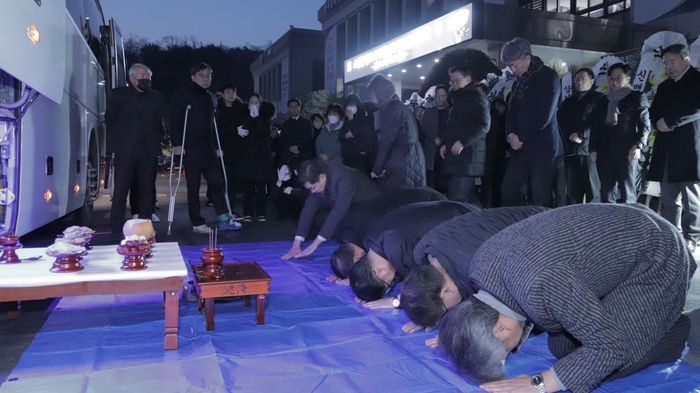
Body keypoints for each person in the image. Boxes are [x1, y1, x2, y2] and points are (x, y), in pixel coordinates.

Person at [438, 203, 696, 393]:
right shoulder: (479, 268)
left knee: (611, 365)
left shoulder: (541, 286)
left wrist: (540, 383)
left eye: (504, 354)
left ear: (501, 328)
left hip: (658, 255)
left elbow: (610, 347)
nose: (510, 355)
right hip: (621, 235)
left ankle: (675, 328)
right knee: (562, 348)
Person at [400, 206, 547, 333]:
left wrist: (463, 335)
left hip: (547, 229)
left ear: (446, 291)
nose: (448, 314)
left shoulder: (480, 271)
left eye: (446, 311)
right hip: (520, 215)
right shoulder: (423, 250)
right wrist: (428, 313)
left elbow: (522, 310)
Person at [349, 200, 479, 303]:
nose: (392, 282)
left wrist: (399, 301)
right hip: (453, 206)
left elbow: (426, 282)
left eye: (388, 284)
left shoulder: (398, 251)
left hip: (470, 220)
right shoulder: (370, 240)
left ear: (379, 271)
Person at [170, 62, 241, 233]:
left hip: (208, 148)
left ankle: (224, 219)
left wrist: (216, 147)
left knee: (217, 182)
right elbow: (175, 119)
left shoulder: (210, 97)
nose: (206, 78)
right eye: (202, 75)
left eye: (208, 75)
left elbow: (212, 125)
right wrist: (177, 143)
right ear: (193, 77)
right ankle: (197, 222)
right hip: (191, 147)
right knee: (193, 187)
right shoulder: (184, 93)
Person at [329, 187, 447, 281]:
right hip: (417, 193)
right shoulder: (341, 230)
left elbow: (399, 260)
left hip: (434, 202)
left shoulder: (374, 232)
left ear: (358, 259)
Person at [499, 38, 565, 207]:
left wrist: (520, 137)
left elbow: (544, 115)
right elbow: (511, 110)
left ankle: (542, 232)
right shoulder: (518, 81)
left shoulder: (548, 77)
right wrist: (511, 134)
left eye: (514, 64)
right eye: (509, 66)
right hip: (519, 147)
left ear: (527, 58)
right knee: (508, 190)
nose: (512, 70)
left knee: (540, 196)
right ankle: (516, 226)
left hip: (543, 148)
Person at [648, 43, 700, 253]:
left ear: (686, 58)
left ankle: (692, 237)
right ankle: (671, 235)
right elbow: (653, 110)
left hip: (689, 146)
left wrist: (671, 121)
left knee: (691, 197)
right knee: (669, 198)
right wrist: (658, 122)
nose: (669, 67)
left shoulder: (697, 80)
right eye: (666, 63)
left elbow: (697, 108)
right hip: (666, 148)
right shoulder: (664, 86)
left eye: (673, 61)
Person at [106, 63, 164, 237]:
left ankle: (145, 228)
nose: (146, 78)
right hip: (125, 149)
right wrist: (120, 137)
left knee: (146, 190)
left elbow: (159, 121)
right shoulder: (118, 95)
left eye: (148, 76)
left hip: (148, 149)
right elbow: (110, 119)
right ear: (132, 78)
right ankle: (116, 228)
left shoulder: (156, 97)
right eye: (142, 75)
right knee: (121, 190)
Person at [282, 159, 382, 260]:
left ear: (322, 177)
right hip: (351, 205)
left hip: (371, 204)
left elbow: (339, 210)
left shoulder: (342, 176)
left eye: (314, 187)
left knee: (347, 225)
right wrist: (297, 243)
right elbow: (309, 208)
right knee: (321, 219)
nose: (313, 191)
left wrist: (315, 244)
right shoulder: (317, 178)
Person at [589, 62, 650, 204]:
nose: (615, 82)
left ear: (628, 79)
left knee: (627, 191)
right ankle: (609, 223)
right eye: (611, 78)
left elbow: (644, 124)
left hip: (627, 150)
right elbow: (596, 126)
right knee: (606, 191)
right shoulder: (602, 100)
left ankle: (629, 222)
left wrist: (638, 145)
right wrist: (592, 148)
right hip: (604, 151)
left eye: (619, 78)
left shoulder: (637, 97)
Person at [366, 74, 426, 190]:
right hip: (412, 154)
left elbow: (385, 142)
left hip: (403, 157)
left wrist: (377, 169)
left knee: (396, 198)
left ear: (381, 95)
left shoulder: (391, 110)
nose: (372, 100)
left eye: (372, 96)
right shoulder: (399, 106)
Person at [440, 65, 490, 202]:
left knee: (456, 199)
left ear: (468, 79)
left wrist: (462, 142)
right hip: (461, 157)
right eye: (452, 81)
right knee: (467, 199)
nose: (454, 84)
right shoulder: (459, 99)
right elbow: (453, 126)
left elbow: (484, 125)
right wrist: (445, 143)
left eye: (457, 80)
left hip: (468, 157)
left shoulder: (476, 98)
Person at [557, 68, 603, 204]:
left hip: (589, 150)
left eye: (583, 79)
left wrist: (581, 135)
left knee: (592, 189)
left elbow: (597, 121)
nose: (579, 82)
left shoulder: (598, 98)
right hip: (571, 150)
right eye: (577, 79)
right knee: (572, 190)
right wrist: (569, 136)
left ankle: (593, 221)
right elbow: (560, 122)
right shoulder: (569, 101)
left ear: (592, 81)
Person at [237, 93, 276, 221]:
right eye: (251, 102)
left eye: (256, 103)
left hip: (262, 157)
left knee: (261, 187)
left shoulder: (266, 118)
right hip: (247, 156)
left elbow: (265, 132)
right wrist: (250, 117)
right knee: (248, 187)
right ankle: (247, 213)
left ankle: (261, 213)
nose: (254, 105)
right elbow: (245, 130)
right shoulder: (242, 117)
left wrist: (257, 117)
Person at [216, 83, 246, 220]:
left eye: (233, 92)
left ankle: (230, 210)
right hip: (222, 151)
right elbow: (216, 130)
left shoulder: (239, 109)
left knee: (233, 183)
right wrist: (234, 131)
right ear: (222, 94)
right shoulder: (217, 109)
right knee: (223, 183)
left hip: (237, 152)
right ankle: (222, 211)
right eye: (228, 92)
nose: (231, 95)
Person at [338, 94, 377, 176]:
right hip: (347, 156)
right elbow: (340, 137)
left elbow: (358, 134)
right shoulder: (346, 121)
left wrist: (351, 119)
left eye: (352, 105)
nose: (349, 108)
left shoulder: (365, 119)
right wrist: (346, 136)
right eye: (348, 105)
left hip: (360, 157)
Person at [421, 85, 450, 193]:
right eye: (437, 95)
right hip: (431, 150)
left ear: (447, 96)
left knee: (444, 183)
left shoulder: (451, 112)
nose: (440, 98)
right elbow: (425, 127)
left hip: (447, 150)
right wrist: (434, 138)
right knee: (431, 183)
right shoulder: (429, 112)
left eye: (442, 95)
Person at [280, 98, 314, 164]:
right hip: (289, 156)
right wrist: (290, 147)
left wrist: (297, 146)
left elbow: (308, 137)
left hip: (303, 154)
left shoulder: (307, 122)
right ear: (289, 109)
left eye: (295, 106)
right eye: (291, 106)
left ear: (299, 107)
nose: (294, 108)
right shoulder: (285, 124)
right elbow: (282, 139)